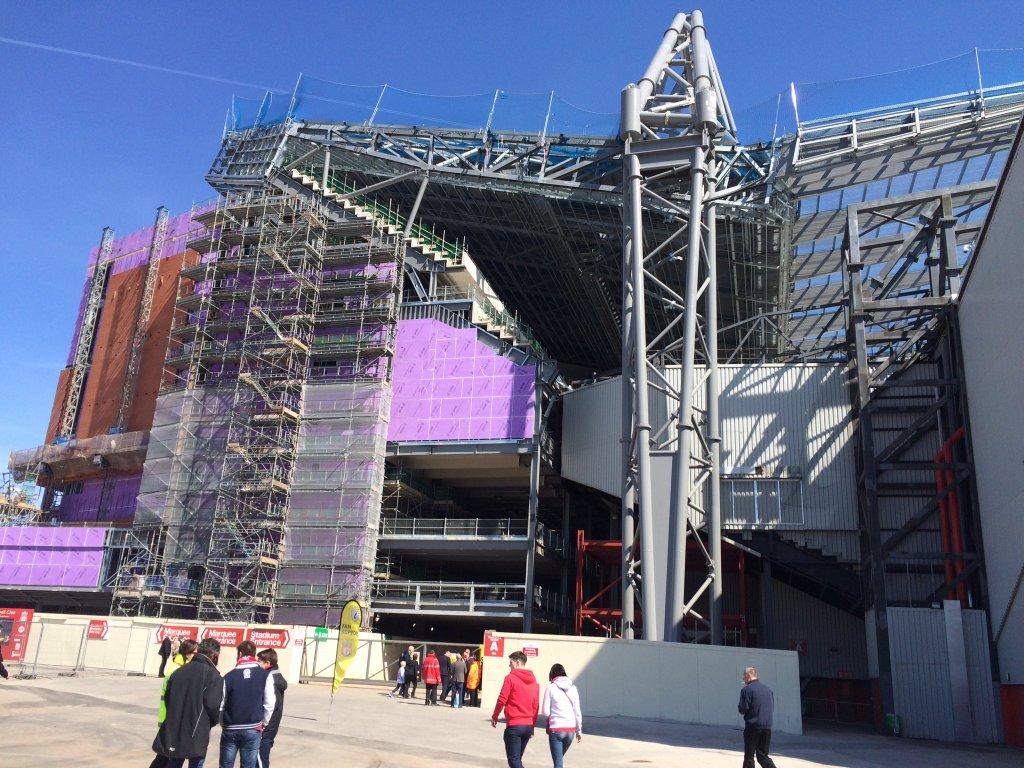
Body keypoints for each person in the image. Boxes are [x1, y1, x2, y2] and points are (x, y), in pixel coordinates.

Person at [151, 638, 223, 768]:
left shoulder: (178, 672)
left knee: (173, 763)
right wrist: (207, 723)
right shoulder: (213, 676)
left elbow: (168, 699)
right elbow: (214, 706)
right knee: (195, 764)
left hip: (175, 729)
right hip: (197, 731)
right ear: (214, 655)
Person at [219, 640, 276, 768]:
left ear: (240, 654)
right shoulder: (265, 675)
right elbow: (269, 703)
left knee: (225, 765)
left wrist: (224, 723)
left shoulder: (228, 677)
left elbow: (222, 704)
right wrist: (264, 723)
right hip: (253, 727)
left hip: (230, 728)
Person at [491, 650, 540, 768]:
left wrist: (495, 716)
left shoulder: (510, 678)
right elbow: (535, 706)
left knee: (514, 761)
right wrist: (532, 727)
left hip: (515, 726)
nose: (509, 666)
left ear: (517, 663)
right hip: (527, 726)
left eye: (510, 663)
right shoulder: (534, 681)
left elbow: (502, 699)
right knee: (517, 760)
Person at [541, 664, 582, 768]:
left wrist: (552, 716)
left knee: (558, 764)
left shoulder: (550, 687)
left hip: (556, 730)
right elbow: (577, 711)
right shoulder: (573, 688)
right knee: (558, 761)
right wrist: (579, 731)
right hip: (570, 731)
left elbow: (545, 711)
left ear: (552, 675)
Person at [738, 666, 778, 768]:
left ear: (748, 676)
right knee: (763, 756)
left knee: (749, 756)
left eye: (744, 677)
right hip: (767, 727)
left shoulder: (746, 690)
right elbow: (771, 707)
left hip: (753, 727)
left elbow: (743, 709)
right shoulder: (768, 690)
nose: (743, 679)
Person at [257, 649, 287, 768]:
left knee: (260, 758)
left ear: (268, 663)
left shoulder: (269, 677)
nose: (257, 663)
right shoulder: (276, 674)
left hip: (268, 724)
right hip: (273, 723)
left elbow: (269, 704)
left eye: (259, 661)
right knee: (264, 756)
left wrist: (264, 723)